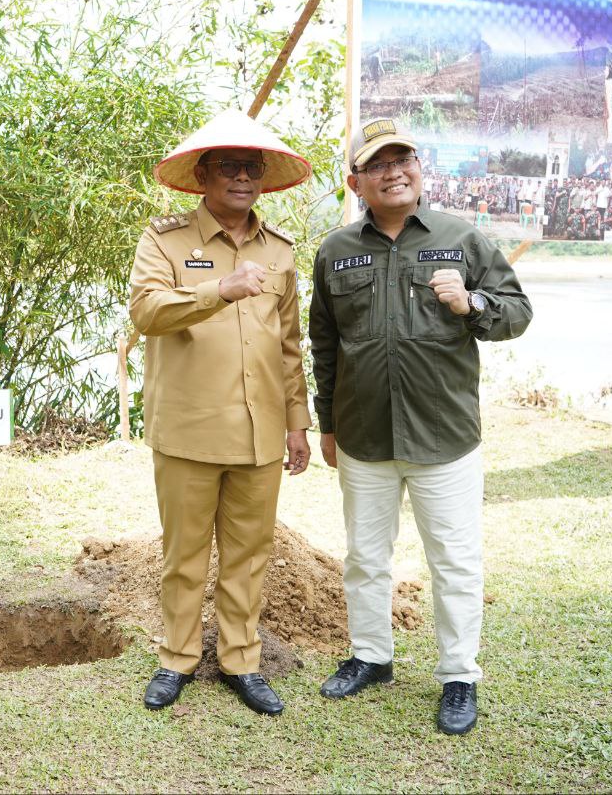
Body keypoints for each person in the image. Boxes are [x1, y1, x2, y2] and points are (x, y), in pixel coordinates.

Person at [307, 118, 532, 735]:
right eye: (378, 163)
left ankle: (459, 676)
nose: (394, 171)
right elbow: (324, 343)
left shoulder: (463, 238)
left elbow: (517, 312)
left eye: (403, 158)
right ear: (356, 181)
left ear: (419, 168)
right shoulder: (335, 251)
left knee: (455, 561)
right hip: (363, 434)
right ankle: (372, 657)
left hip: (444, 437)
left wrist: (472, 303)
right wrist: (326, 422)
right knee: (365, 558)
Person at [129, 109, 313, 716]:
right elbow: (148, 312)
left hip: (260, 434)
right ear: (203, 175)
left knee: (248, 555)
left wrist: (296, 424)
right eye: (230, 166)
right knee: (182, 555)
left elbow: (289, 347)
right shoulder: (165, 239)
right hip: (187, 429)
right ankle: (177, 658)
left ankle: (241, 660)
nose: (242, 177)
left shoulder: (281, 251)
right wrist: (218, 290)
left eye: (252, 168)